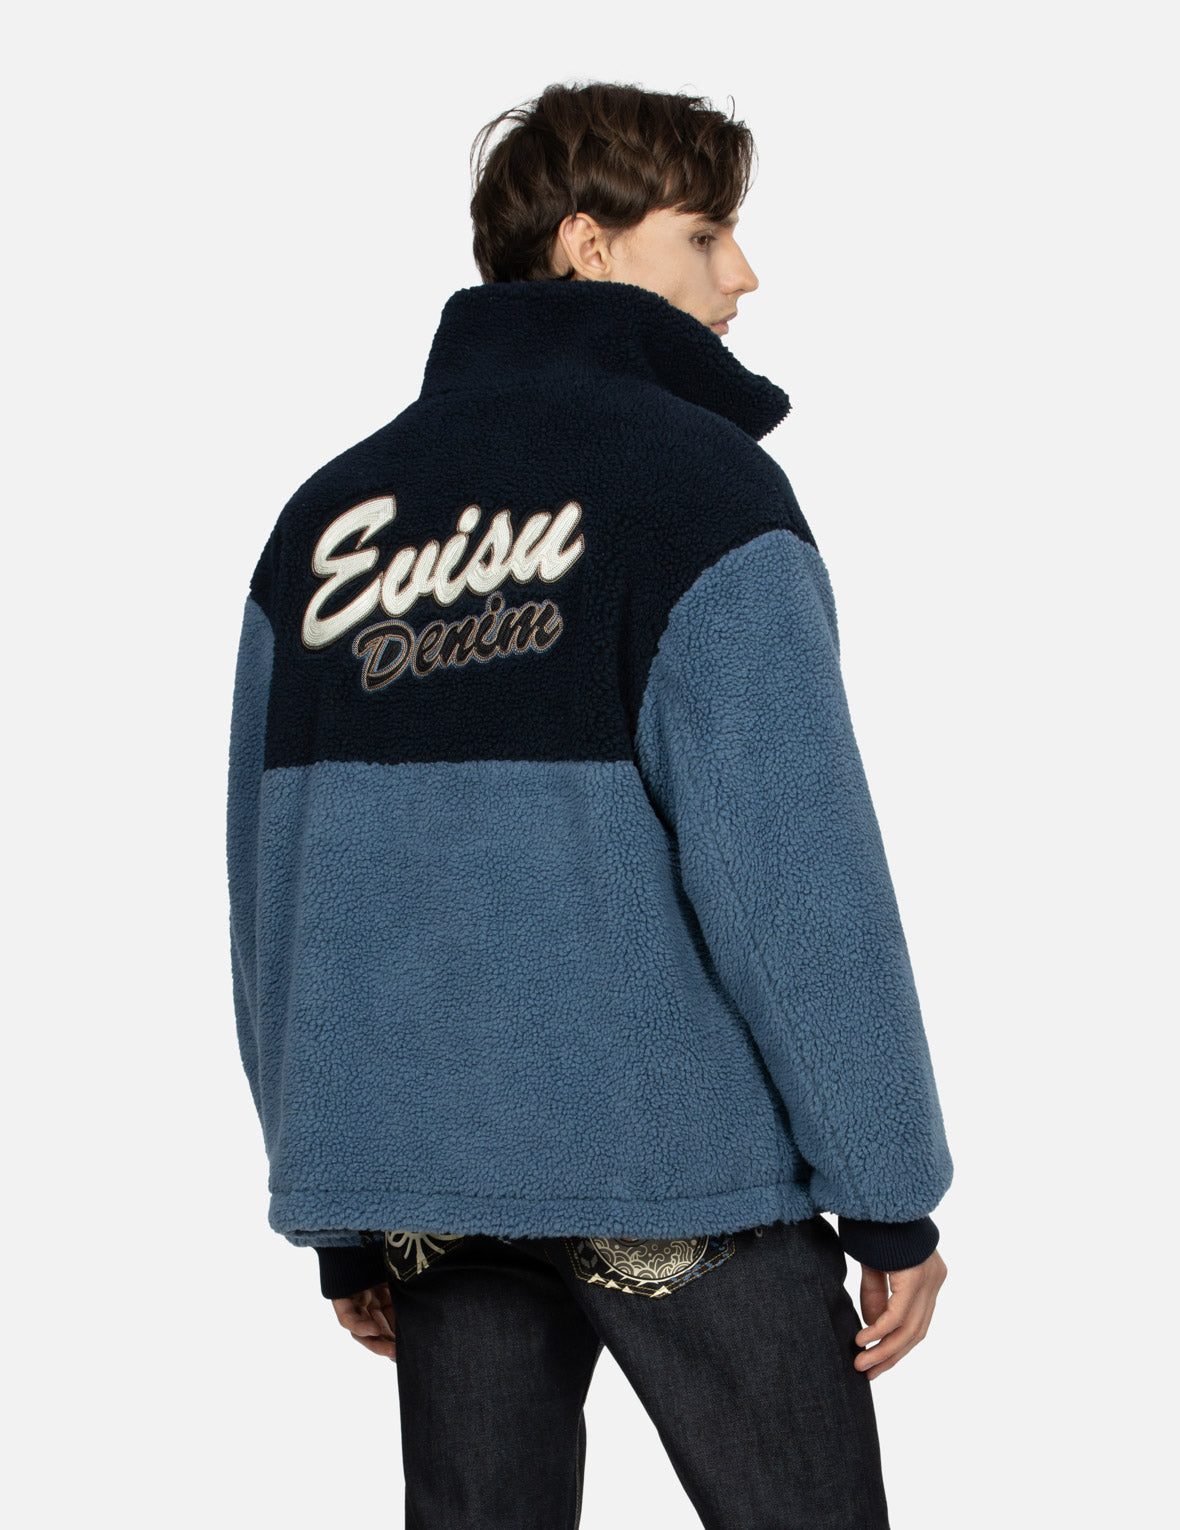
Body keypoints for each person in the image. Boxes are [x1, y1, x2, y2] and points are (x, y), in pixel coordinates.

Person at [226, 80, 953, 1528]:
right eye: (708, 234)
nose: (744, 275)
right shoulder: (700, 492)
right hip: (679, 1171)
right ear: (589, 244)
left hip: (433, 1190)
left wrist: (342, 1200)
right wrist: (889, 1189)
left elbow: (278, 885)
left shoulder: (329, 520)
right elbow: (795, 877)